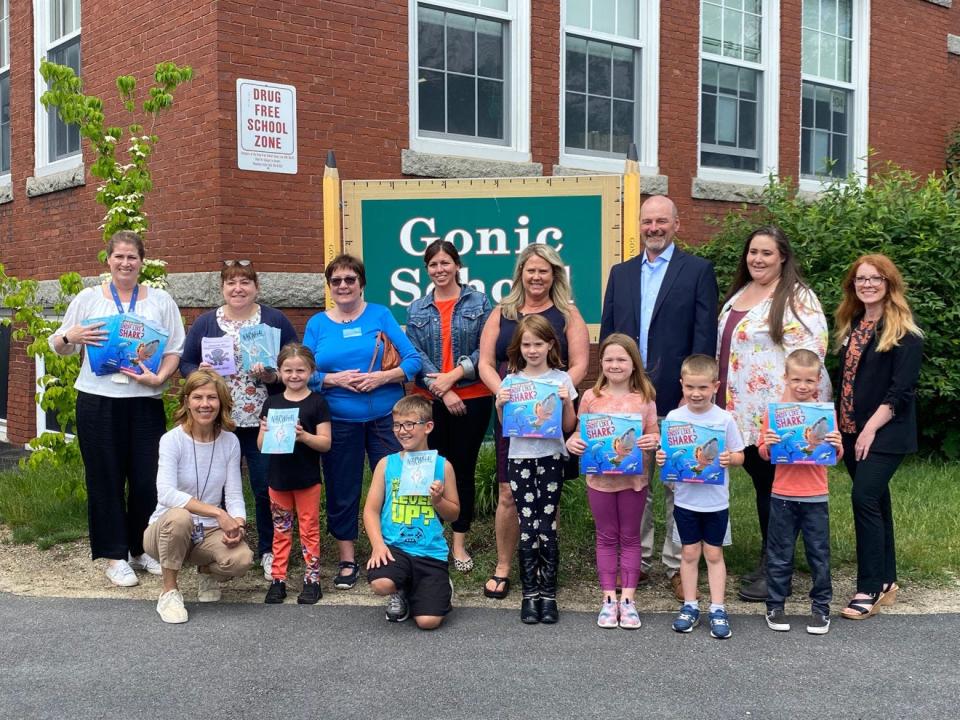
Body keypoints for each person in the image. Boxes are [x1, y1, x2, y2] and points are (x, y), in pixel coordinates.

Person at [49, 230, 185, 587]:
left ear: (142, 262)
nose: (126, 263)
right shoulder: (89, 298)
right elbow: (58, 345)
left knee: (146, 479)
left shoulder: (160, 300)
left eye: (132, 257)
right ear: (108, 260)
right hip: (97, 401)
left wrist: (161, 379)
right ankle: (114, 556)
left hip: (144, 402)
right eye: (119, 257)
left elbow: (175, 350)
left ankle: (140, 550)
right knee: (105, 478)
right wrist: (70, 337)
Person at [600, 195, 719, 602]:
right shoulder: (621, 273)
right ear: (640, 226)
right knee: (636, 481)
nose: (654, 228)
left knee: (676, 480)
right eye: (647, 221)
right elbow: (611, 337)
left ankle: (676, 564)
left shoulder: (698, 271)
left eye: (661, 221)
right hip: (627, 396)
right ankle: (640, 560)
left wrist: (696, 393)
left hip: (677, 393)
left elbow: (704, 338)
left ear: (676, 224)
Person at [717, 226, 830, 602]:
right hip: (739, 412)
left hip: (775, 416)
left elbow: (811, 354)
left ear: (783, 256)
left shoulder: (799, 298)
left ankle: (776, 567)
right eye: (753, 252)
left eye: (767, 253)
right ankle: (773, 557)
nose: (758, 259)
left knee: (776, 489)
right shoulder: (740, 295)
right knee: (762, 485)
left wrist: (786, 414)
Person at [478, 243, 589, 600]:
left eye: (544, 270)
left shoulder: (567, 314)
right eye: (531, 270)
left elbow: (581, 365)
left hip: (553, 421)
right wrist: (506, 393)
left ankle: (543, 567)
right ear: (520, 274)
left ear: (554, 274)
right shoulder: (502, 312)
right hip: (512, 417)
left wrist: (553, 391)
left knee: (547, 497)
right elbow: (483, 362)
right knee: (508, 493)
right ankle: (505, 566)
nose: (537, 276)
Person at [304, 254, 421, 590]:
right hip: (338, 420)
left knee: (396, 487)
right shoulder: (317, 324)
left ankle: (395, 552)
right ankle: (347, 558)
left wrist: (382, 378)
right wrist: (333, 380)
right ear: (329, 287)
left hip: (386, 419)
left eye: (349, 279)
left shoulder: (380, 314)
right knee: (343, 489)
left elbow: (412, 361)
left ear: (361, 283)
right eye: (336, 280)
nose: (343, 286)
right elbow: (303, 371)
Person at [180, 260, 298, 581]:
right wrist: (199, 372)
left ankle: (271, 550)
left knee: (266, 487)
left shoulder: (274, 320)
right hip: (220, 423)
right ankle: (218, 549)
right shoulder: (206, 323)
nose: (238, 288)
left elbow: (296, 362)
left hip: (266, 421)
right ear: (222, 288)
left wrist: (275, 374)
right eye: (231, 283)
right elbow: (186, 362)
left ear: (256, 287)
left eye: (245, 282)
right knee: (215, 489)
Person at [833, 254, 923, 620]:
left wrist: (869, 429)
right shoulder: (852, 324)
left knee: (863, 497)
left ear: (889, 284)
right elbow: (847, 382)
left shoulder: (905, 332)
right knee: (877, 503)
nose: (867, 284)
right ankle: (887, 581)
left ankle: (868, 588)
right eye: (860, 279)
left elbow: (901, 392)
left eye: (875, 279)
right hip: (852, 430)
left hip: (884, 432)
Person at [406, 240, 493, 573]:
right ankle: (431, 540)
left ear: (457, 265)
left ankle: (459, 542)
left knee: (462, 472)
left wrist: (454, 378)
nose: (439, 270)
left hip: (472, 398)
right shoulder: (416, 309)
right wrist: (442, 390)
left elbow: (487, 350)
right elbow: (416, 356)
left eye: (445, 263)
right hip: (430, 401)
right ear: (426, 269)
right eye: (433, 265)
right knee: (428, 471)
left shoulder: (480, 301)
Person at [143, 370, 254, 624]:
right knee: (181, 517)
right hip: (164, 531)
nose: (205, 404)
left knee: (242, 559)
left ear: (222, 402)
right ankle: (169, 591)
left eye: (212, 398)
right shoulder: (172, 440)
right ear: (187, 401)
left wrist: (237, 523)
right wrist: (218, 513)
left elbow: (234, 493)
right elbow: (166, 493)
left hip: (207, 533)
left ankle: (205, 570)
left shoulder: (230, 442)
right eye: (198, 397)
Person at [565, 334, 659, 629]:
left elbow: (655, 434)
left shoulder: (645, 398)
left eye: (621, 359)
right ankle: (608, 599)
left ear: (634, 364)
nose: (615, 365)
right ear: (600, 363)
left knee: (630, 537)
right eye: (609, 359)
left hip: (634, 481)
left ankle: (628, 600)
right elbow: (581, 432)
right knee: (606, 536)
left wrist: (653, 441)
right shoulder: (591, 397)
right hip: (600, 481)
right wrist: (574, 443)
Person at [495, 315, 578, 624]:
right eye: (526, 344)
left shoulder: (562, 379)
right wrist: (500, 405)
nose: (532, 350)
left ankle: (549, 594)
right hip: (520, 460)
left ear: (550, 345)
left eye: (538, 344)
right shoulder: (512, 380)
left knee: (548, 526)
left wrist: (566, 403)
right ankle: (530, 594)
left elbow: (569, 427)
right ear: (519, 347)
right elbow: (508, 428)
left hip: (551, 458)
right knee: (528, 526)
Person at [656, 355, 744, 639]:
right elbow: (667, 456)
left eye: (703, 388)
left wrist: (731, 458)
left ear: (715, 386)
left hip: (716, 501)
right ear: (681, 384)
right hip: (685, 501)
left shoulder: (724, 418)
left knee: (714, 554)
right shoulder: (673, 418)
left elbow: (740, 454)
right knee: (690, 553)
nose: (696, 393)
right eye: (690, 387)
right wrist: (660, 458)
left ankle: (718, 608)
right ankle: (690, 605)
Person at [758, 349, 843, 635]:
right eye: (796, 379)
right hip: (782, 494)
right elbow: (764, 453)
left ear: (819, 380)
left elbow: (837, 455)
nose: (802, 386)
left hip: (816, 495)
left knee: (819, 554)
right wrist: (768, 444)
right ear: (786, 378)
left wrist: (835, 443)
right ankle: (775, 604)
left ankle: (821, 608)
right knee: (780, 553)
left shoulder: (824, 414)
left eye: (809, 380)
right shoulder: (776, 414)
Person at [363, 395, 460, 630]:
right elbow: (370, 510)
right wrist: (378, 545)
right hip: (395, 548)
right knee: (381, 584)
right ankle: (401, 591)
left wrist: (438, 500)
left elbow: (454, 514)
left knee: (428, 622)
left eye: (410, 424)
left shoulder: (442, 465)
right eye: (397, 425)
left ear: (428, 427)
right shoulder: (387, 464)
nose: (402, 431)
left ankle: (435, 585)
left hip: (429, 551)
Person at [258, 344, 332, 605]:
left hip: (307, 480)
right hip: (278, 480)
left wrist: (304, 436)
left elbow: (325, 443)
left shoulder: (317, 403)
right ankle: (278, 579)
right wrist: (265, 430)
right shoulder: (272, 402)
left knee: (309, 530)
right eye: (288, 370)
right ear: (279, 371)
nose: (294, 375)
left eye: (300, 370)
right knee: (281, 530)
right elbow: (259, 445)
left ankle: (312, 580)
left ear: (311, 371)